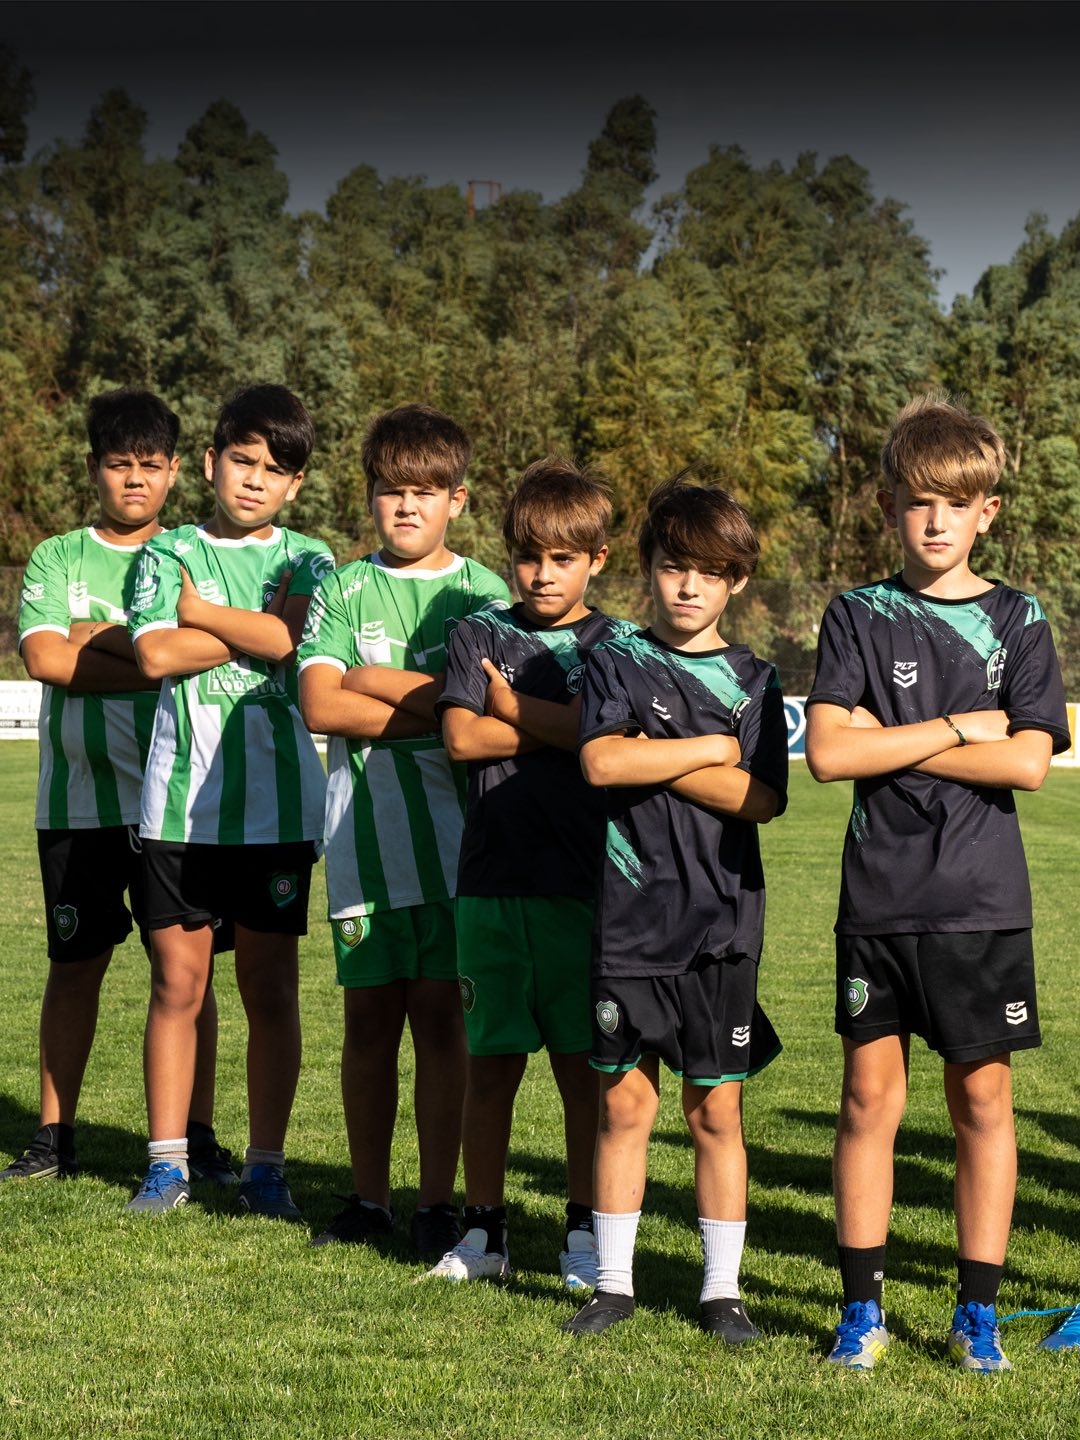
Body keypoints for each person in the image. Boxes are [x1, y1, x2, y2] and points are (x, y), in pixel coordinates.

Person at [804, 392, 1071, 1372]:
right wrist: (963, 727)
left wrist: (894, 741)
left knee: (983, 1105)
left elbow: (1030, 763)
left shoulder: (1019, 618)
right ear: (887, 506)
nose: (935, 521)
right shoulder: (857, 614)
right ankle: (861, 1312)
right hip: (879, 895)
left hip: (980, 901)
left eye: (955, 504)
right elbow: (829, 753)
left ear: (986, 512)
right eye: (917, 501)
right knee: (866, 1102)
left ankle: (977, 1315)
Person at [563, 474, 786, 1343]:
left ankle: (721, 1293)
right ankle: (612, 1286)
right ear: (648, 568)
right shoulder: (614, 659)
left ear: (736, 581)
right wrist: (709, 748)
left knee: (714, 1111)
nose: (688, 586)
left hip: (722, 925)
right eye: (671, 566)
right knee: (624, 1106)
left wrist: (657, 752)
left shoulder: (755, 679)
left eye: (709, 572)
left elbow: (760, 799)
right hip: (629, 920)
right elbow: (600, 764)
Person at [297, 403, 511, 1261]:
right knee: (368, 1024)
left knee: (443, 1024)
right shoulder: (340, 588)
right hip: (363, 847)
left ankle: (435, 1203)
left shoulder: (484, 595)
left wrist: (373, 678)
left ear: (458, 499)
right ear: (371, 496)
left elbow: (485, 714)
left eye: (426, 491)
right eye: (392, 490)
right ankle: (368, 1198)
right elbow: (320, 705)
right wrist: (439, 706)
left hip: (463, 850)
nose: (407, 505)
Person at [7, 388, 234, 1188]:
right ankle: (52, 1137)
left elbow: (213, 649)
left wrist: (99, 642)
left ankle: (196, 1136)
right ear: (93, 469)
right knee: (75, 966)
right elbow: (46, 659)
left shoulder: (197, 556)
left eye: (150, 464)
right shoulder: (58, 556)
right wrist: (151, 655)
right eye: (118, 464)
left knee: (188, 974)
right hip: (77, 803)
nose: (134, 479)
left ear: (175, 472)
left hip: (179, 803)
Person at [422, 457, 633, 1288]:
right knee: (491, 1067)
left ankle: (582, 1232)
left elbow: (611, 742)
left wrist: (511, 709)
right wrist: (560, 726)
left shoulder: (617, 645)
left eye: (563, 558)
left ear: (597, 559)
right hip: (490, 883)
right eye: (528, 556)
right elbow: (461, 739)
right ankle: (483, 1231)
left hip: (585, 888)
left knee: (583, 1072)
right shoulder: (477, 632)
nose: (542, 573)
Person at [126, 382, 333, 1218]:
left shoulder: (309, 559)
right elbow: (154, 656)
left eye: (274, 469)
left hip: (278, 814)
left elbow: (292, 640)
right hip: (178, 813)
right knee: (177, 987)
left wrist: (203, 613)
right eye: (243, 461)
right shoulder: (166, 551)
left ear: (295, 485)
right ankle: (167, 1164)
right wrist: (253, 628)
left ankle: (265, 1169)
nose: (254, 479)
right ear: (211, 462)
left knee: (270, 992)